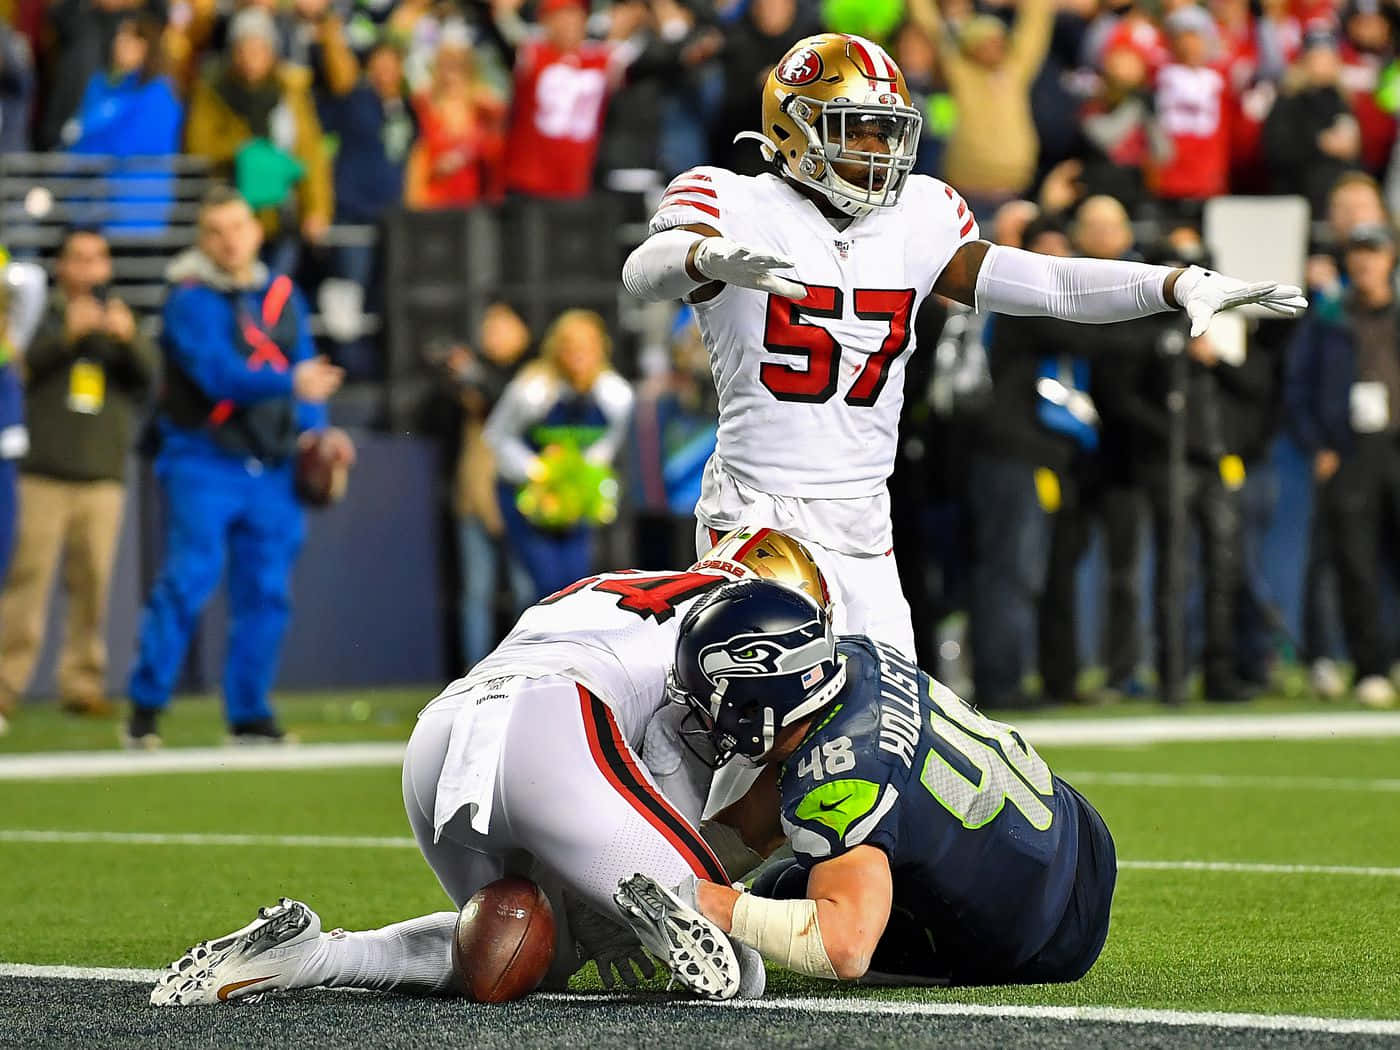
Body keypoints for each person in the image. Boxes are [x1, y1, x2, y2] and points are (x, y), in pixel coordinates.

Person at [620, 32, 1306, 666]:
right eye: (853, 129)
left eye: (886, 131)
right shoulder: (731, 199)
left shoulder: (918, 214)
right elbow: (644, 269)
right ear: (791, 126)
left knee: (883, 733)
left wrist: (1172, 282)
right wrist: (705, 256)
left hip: (865, 518)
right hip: (756, 512)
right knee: (756, 725)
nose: (875, 149)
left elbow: (1050, 282)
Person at [147, 528, 829, 1006]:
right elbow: (668, 744)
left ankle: (313, 956)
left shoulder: (608, 582)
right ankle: (649, 901)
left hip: (439, 740)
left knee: (512, 951)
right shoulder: (723, 625)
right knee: (739, 967)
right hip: (555, 729)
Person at [618, 578, 1116, 988]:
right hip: (1076, 831)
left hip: (1042, 937)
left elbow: (845, 947)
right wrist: (652, 876)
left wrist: (710, 903)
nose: (706, 718)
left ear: (757, 701)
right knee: (784, 876)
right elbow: (756, 824)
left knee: (781, 898)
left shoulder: (838, 778)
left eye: (713, 699)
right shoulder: (853, 659)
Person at [124, 187, 353, 748]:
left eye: (238, 227)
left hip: (272, 467)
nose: (229, 240)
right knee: (186, 581)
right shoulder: (188, 299)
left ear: (256, 231)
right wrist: (291, 384)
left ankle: (248, 712)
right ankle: (146, 708)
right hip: (203, 460)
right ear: (203, 239)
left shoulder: (281, 292)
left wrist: (319, 432)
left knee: (268, 592)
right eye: (216, 231)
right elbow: (217, 376)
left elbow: (307, 374)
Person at [0, 228, 157, 721]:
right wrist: (66, 336)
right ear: (61, 268)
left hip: (102, 477)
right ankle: (5, 685)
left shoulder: (121, 321)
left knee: (93, 586)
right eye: (78, 259)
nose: (89, 269)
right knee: (27, 583)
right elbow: (21, 369)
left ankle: (82, 684)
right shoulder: (38, 317)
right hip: (42, 474)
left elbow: (150, 379)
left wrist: (127, 339)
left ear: (108, 267)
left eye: (98, 259)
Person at [1285, 224, 1400, 708]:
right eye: (1358, 253)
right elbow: (1298, 387)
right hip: (1349, 450)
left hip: (1396, 443)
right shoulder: (1328, 317)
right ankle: (1369, 666)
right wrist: (1318, 444)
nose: (1366, 262)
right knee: (1355, 563)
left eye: (1373, 252)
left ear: (1390, 257)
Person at [483, 309, 634, 601]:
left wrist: (583, 477)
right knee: (545, 585)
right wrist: (535, 469)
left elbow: (608, 443)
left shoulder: (615, 395)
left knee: (577, 584)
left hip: (574, 501)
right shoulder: (532, 391)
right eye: (570, 347)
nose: (578, 356)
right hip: (526, 497)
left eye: (585, 347)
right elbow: (496, 435)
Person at [185, 7, 333, 277]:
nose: (250, 58)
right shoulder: (214, 91)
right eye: (243, 48)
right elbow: (199, 145)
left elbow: (310, 154)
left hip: (283, 214)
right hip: (232, 212)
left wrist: (317, 209)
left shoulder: (290, 93)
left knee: (275, 292)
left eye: (258, 48)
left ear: (271, 51)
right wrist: (248, 152)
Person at [443, 302, 534, 668]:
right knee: (475, 594)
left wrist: (475, 376)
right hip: (474, 495)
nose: (492, 334)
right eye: (488, 326)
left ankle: (526, 671)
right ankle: (474, 677)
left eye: (502, 325)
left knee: (526, 593)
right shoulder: (472, 378)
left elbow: (508, 405)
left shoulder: (534, 376)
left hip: (522, 497)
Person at [65, 13, 184, 234]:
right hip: (89, 207)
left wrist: (85, 144)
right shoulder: (100, 85)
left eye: (129, 38)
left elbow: (126, 146)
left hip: (136, 212)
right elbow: (75, 136)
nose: (119, 43)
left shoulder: (159, 93)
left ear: (148, 47)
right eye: (119, 36)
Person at [404, 35, 507, 209]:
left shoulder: (485, 111)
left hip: (475, 205)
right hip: (433, 203)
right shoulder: (423, 106)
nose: (452, 73)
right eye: (446, 65)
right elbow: (415, 160)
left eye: (459, 66)